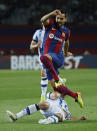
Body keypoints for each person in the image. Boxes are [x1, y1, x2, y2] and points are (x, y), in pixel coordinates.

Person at [40, 9, 84, 108]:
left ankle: (57, 79)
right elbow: (42, 19)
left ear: (65, 20)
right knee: (57, 89)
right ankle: (76, 95)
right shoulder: (50, 25)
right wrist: (51, 13)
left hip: (57, 57)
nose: (59, 20)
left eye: (62, 18)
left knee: (43, 57)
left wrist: (66, 52)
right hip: (49, 61)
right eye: (58, 18)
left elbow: (67, 42)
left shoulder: (66, 31)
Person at [30, 26, 66, 102]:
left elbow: (61, 43)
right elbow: (31, 47)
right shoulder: (38, 33)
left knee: (45, 73)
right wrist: (37, 45)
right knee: (47, 73)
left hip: (53, 56)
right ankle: (59, 81)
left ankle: (43, 96)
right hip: (43, 57)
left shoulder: (54, 32)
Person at [6, 91, 87, 124]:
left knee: (61, 114)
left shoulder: (64, 103)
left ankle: (48, 121)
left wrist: (79, 119)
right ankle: (16, 116)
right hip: (49, 107)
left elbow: (69, 116)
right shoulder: (52, 93)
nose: (65, 94)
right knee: (43, 104)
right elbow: (54, 95)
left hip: (59, 113)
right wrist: (59, 89)